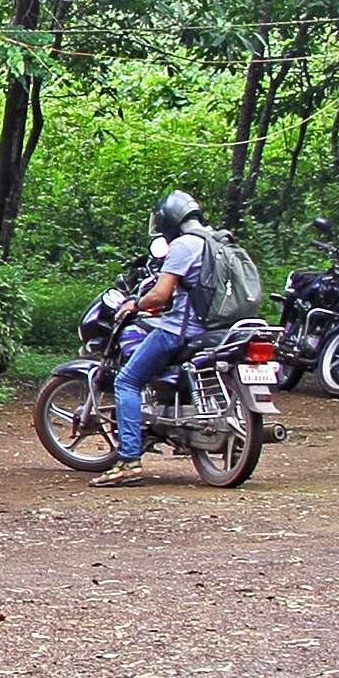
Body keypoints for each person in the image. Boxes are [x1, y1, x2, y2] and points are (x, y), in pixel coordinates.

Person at [94, 189, 213, 487]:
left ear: (170, 220)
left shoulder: (184, 245)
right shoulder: (217, 241)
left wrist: (135, 304)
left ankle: (129, 460)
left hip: (180, 331)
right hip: (215, 331)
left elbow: (160, 295)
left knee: (126, 381)